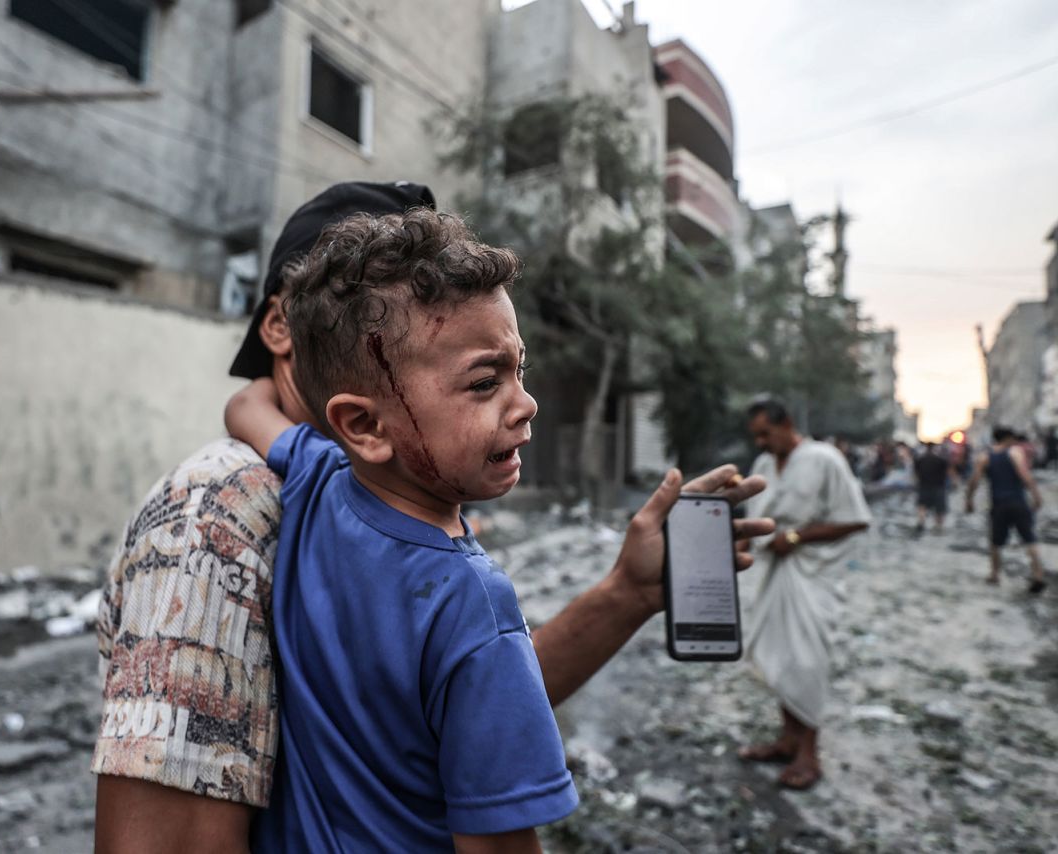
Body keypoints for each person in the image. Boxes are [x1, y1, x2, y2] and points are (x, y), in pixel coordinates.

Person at [91, 182, 771, 853]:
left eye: (517, 372)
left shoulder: (326, 479)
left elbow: (446, 709)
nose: (527, 404)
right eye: (482, 381)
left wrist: (629, 592)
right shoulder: (219, 508)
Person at [739, 398, 871, 791]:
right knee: (780, 656)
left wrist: (796, 537)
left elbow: (854, 519)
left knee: (808, 659)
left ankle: (808, 754)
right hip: (772, 572)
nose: (762, 442)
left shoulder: (824, 459)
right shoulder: (764, 466)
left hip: (814, 574)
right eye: (757, 436)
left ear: (788, 424)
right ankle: (787, 739)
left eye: (767, 433)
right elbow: (755, 519)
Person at [964, 427, 1047, 593]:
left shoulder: (985, 457)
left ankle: (995, 574)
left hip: (999, 504)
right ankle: (1037, 574)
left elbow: (974, 480)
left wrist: (969, 500)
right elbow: (1025, 476)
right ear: (1007, 438)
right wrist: (1036, 497)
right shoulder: (1014, 453)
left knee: (996, 541)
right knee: (1029, 538)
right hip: (1018, 502)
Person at [913, 441, 951, 534]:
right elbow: (947, 473)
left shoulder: (920, 459)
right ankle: (938, 526)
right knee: (939, 509)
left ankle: (921, 523)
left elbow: (916, 473)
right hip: (938, 486)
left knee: (922, 505)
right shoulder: (941, 460)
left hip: (924, 485)